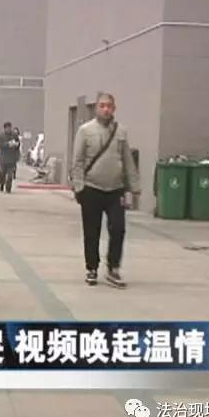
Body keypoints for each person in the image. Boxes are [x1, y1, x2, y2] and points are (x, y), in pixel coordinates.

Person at [71, 92, 140, 289]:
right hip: (91, 189)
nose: (106, 109)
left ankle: (113, 268)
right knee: (91, 231)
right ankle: (91, 268)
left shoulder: (121, 132)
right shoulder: (85, 131)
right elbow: (78, 161)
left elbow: (127, 160)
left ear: (114, 108)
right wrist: (79, 186)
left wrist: (134, 186)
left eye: (109, 106)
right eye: (102, 105)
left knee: (118, 229)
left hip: (115, 190)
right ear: (96, 108)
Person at [0, 121, 20, 193]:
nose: (9, 129)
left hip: (12, 159)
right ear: (4, 128)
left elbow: (18, 144)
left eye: (10, 128)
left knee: (10, 176)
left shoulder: (14, 135)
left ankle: (8, 189)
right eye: (7, 128)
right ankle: (2, 183)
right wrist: (7, 144)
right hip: (3, 159)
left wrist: (16, 145)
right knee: (2, 173)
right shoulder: (1, 136)